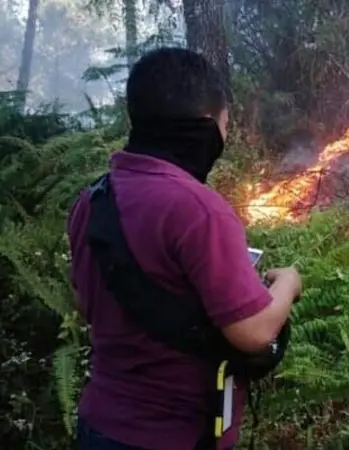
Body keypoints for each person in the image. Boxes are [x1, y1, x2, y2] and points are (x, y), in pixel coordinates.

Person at [67, 47, 301, 450]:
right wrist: (288, 284)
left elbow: (87, 305)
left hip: (99, 424)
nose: (226, 137)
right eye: (226, 123)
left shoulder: (92, 200)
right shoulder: (199, 209)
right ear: (207, 124)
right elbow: (255, 332)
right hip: (174, 434)